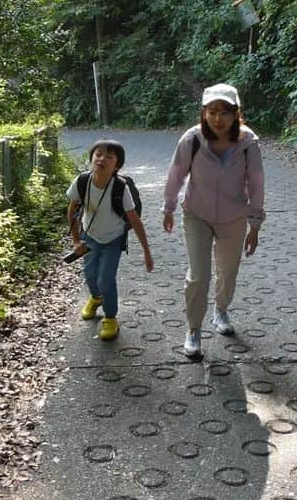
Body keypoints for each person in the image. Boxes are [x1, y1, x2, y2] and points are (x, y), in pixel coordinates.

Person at [163, 83, 265, 358]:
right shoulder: (192, 139)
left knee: (228, 271)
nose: (218, 118)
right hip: (197, 213)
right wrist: (168, 208)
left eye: (224, 112)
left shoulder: (248, 143)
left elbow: (256, 184)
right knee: (198, 276)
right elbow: (176, 175)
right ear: (204, 113)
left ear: (236, 114)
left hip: (234, 217)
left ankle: (221, 311)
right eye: (212, 111)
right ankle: (193, 329)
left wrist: (255, 225)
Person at [66, 139, 154, 341]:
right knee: (89, 275)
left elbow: (135, 220)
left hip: (113, 239)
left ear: (117, 165)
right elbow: (72, 209)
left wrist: (147, 252)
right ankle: (96, 299)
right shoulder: (82, 181)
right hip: (89, 237)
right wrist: (76, 241)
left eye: (109, 156)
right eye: (98, 154)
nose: (102, 159)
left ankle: (111, 317)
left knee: (106, 280)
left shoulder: (120, 188)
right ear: (91, 158)